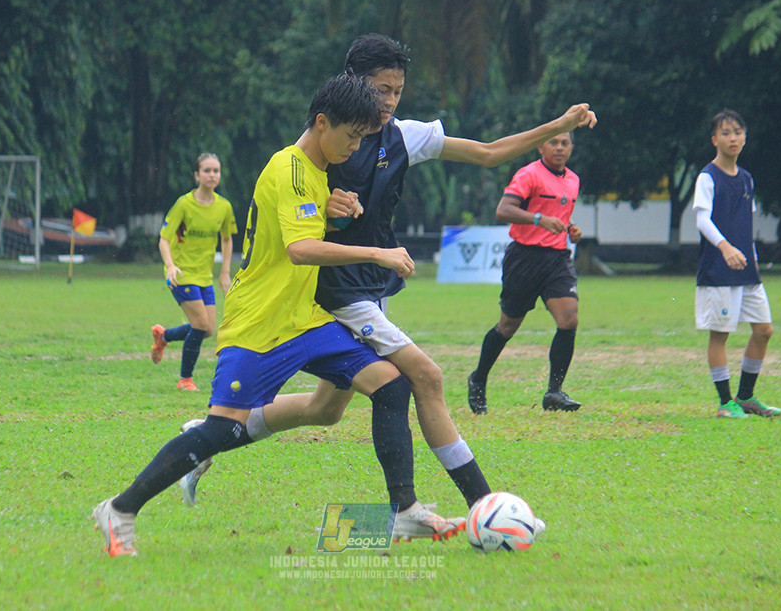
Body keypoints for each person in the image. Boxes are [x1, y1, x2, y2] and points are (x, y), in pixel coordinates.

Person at [180, 33, 594, 518]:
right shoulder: (318, 144)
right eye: (381, 90)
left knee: (325, 411)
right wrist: (332, 212)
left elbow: (487, 152)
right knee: (426, 376)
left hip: (371, 287)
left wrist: (559, 124)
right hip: (333, 289)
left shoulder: (405, 135)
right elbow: (290, 210)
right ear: (353, 86)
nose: (390, 101)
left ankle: (206, 437)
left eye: (397, 90)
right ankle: (480, 506)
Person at [92, 74, 460, 557]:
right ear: (323, 123)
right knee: (224, 428)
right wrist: (377, 252)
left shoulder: (318, 167)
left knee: (391, 385)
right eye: (351, 136)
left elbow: (301, 225)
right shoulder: (287, 168)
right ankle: (119, 508)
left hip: (303, 318)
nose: (354, 147)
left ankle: (405, 510)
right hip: (259, 323)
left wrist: (335, 211)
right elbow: (300, 249)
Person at [469, 132, 586, 414]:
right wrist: (538, 219)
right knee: (508, 326)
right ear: (541, 146)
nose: (559, 148)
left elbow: (560, 215)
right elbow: (503, 210)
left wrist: (571, 229)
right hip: (524, 257)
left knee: (569, 318)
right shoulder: (528, 174)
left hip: (557, 258)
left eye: (565, 143)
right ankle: (479, 377)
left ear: (571, 147)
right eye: (554, 142)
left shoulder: (573, 179)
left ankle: (554, 392)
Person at [693, 109, 781, 419]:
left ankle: (746, 397)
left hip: (747, 270)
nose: (733, 138)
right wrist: (725, 246)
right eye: (726, 132)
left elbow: (747, 222)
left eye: (738, 132)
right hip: (718, 270)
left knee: (764, 330)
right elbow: (703, 219)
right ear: (715, 139)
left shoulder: (746, 178)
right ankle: (725, 403)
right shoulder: (707, 176)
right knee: (720, 334)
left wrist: (752, 257)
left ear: (745, 138)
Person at [150, 153, 237, 391]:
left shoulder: (224, 206)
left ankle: (163, 336)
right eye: (207, 170)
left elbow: (227, 240)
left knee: (208, 329)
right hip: (181, 274)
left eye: (216, 170)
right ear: (197, 175)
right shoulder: (184, 204)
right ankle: (185, 380)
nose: (212, 175)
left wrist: (225, 272)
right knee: (199, 324)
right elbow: (164, 239)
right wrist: (170, 265)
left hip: (204, 276)